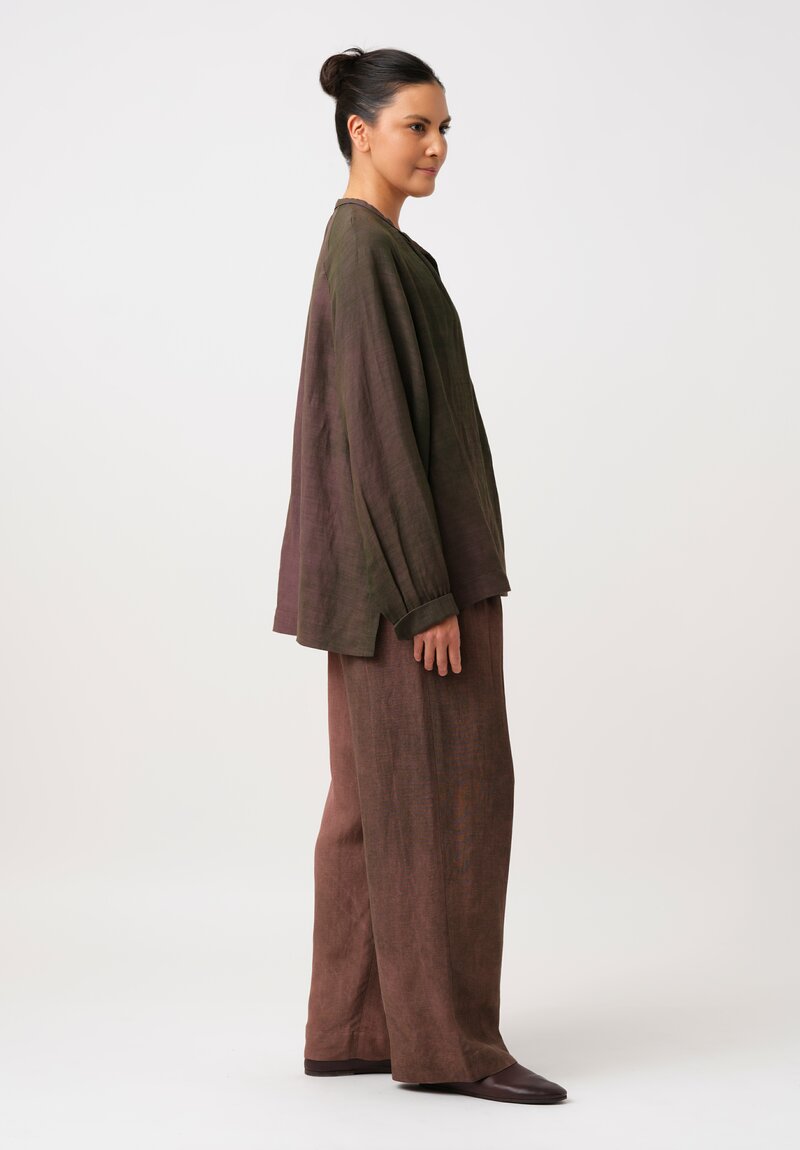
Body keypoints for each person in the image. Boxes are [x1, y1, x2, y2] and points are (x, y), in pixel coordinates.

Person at [272, 45, 568, 1105]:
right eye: (416, 126)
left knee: (372, 806)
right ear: (361, 132)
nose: (437, 147)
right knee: (450, 803)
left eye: (444, 129)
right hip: (410, 592)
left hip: (380, 587)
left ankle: (351, 1026)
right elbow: (377, 439)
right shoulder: (364, 253)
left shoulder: (377, 250)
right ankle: (453, 1048)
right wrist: (427, 596)